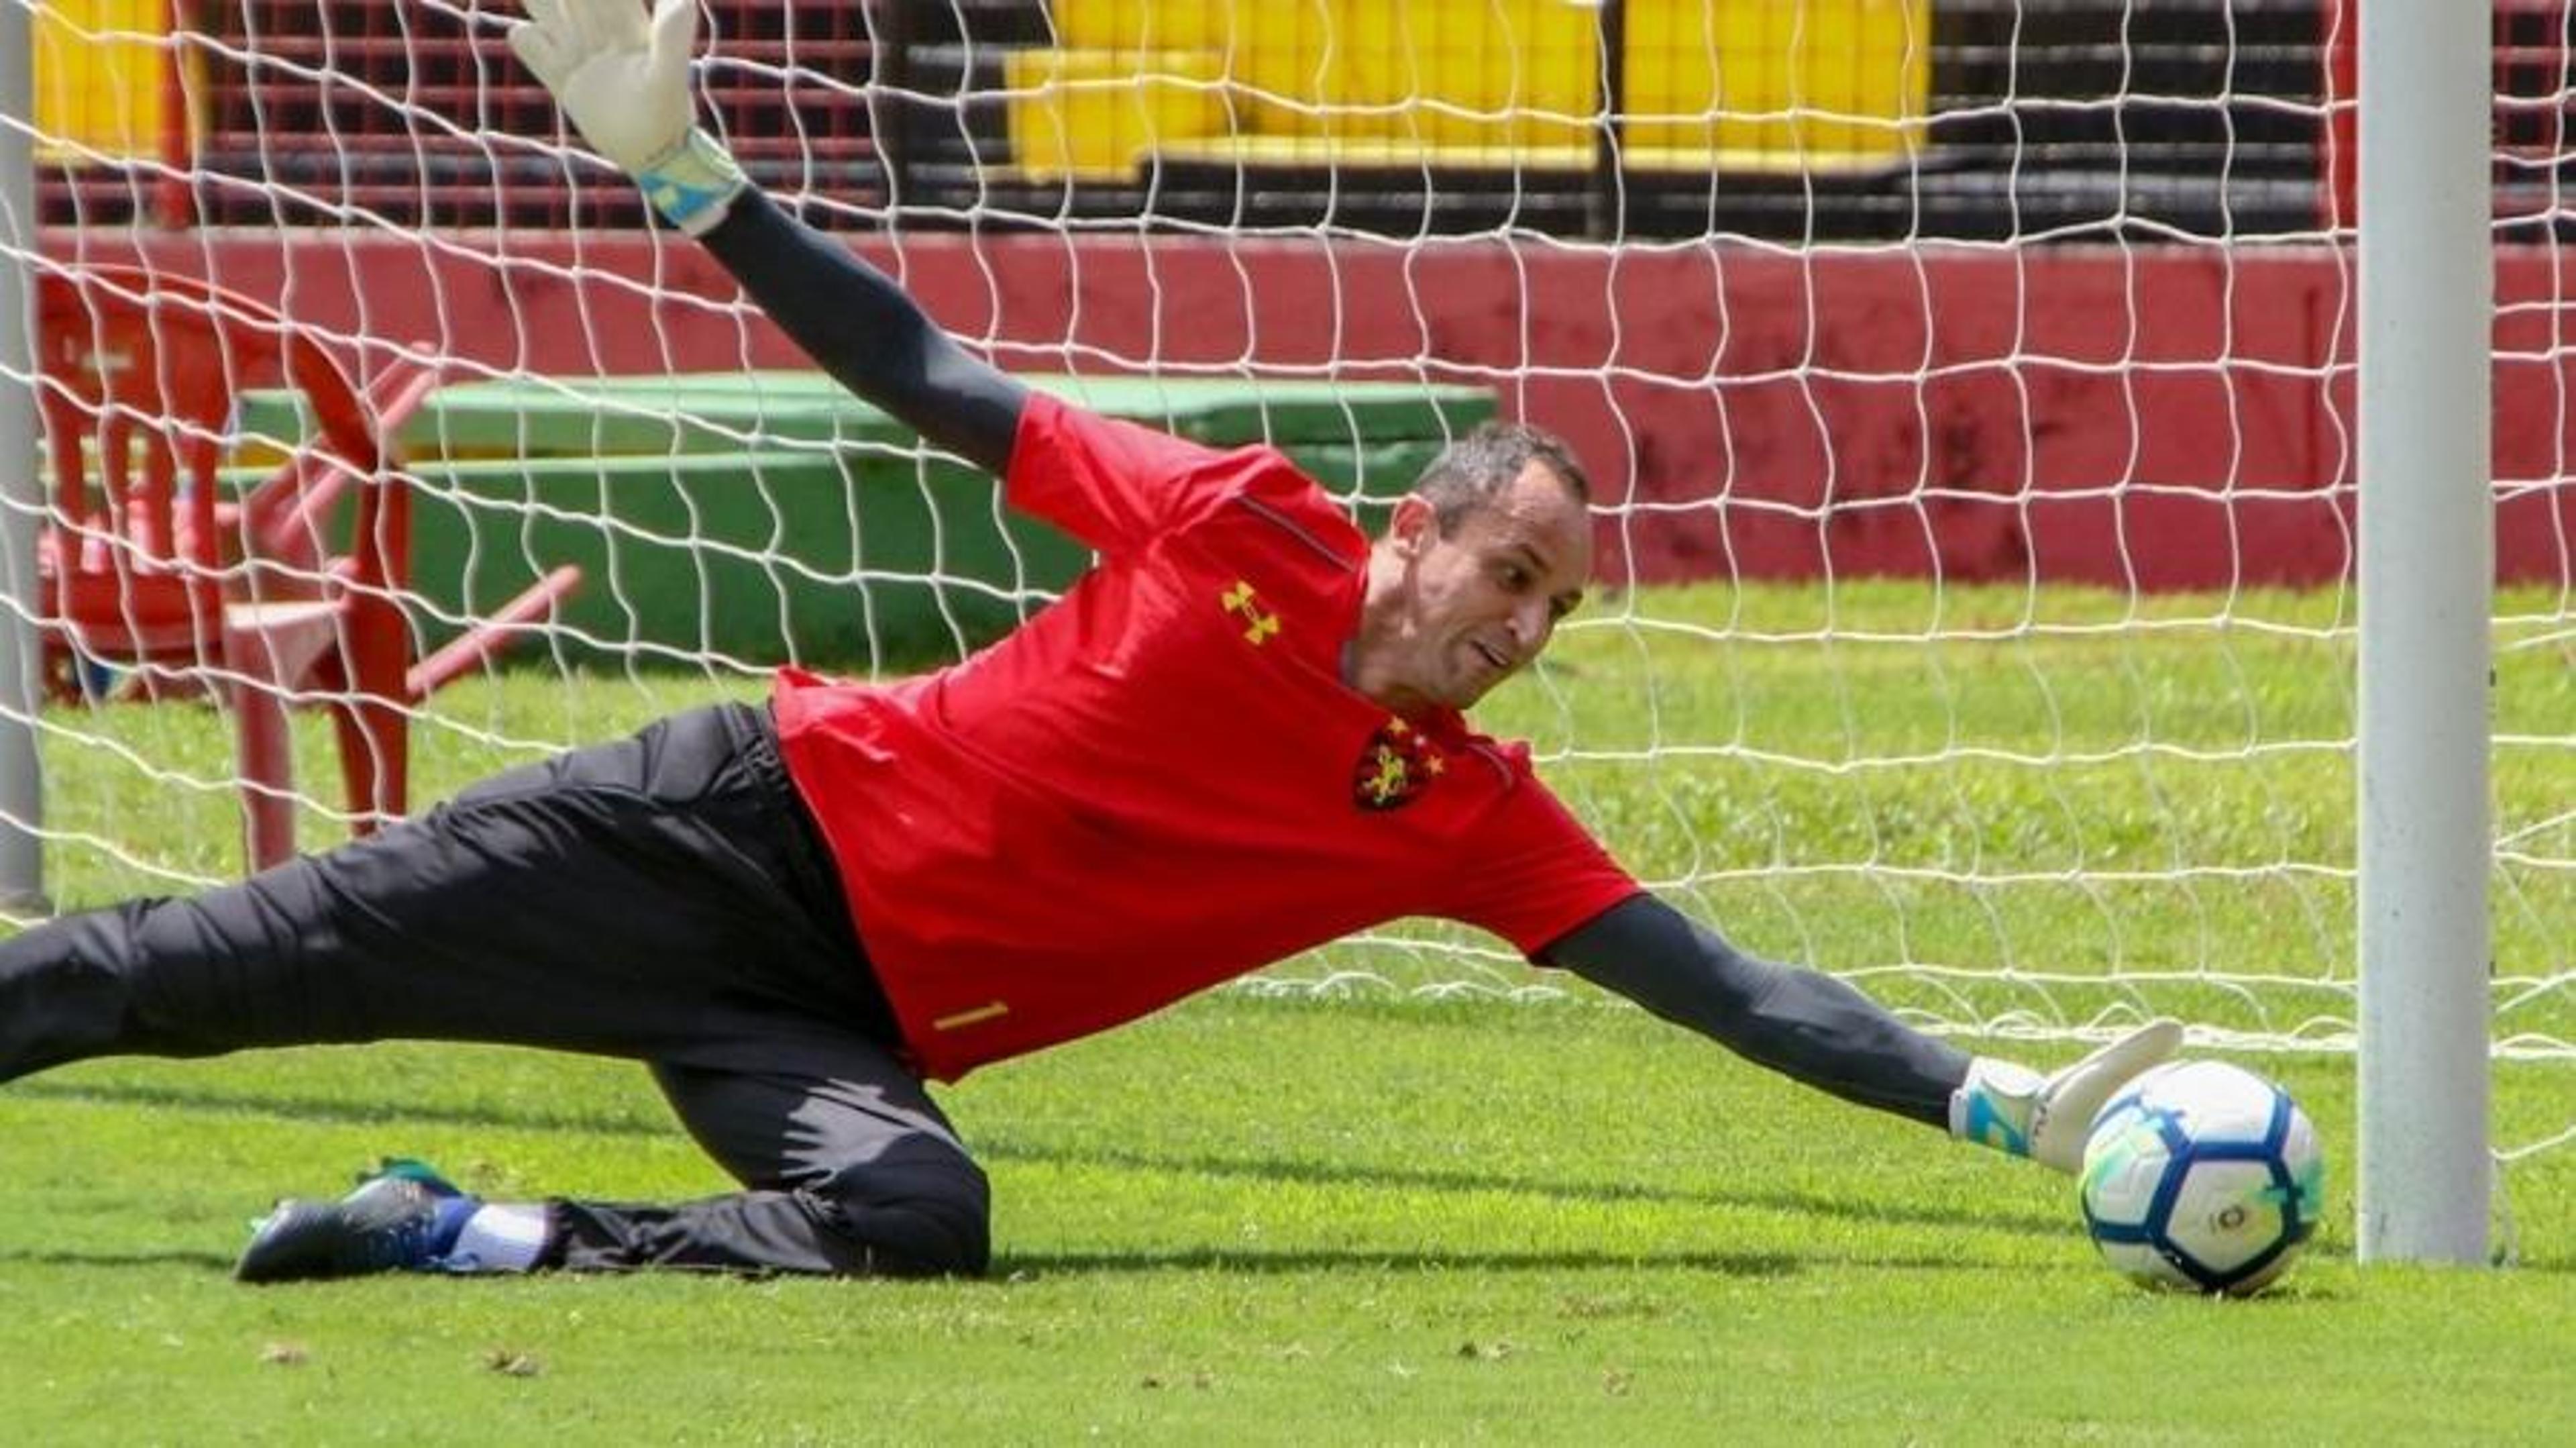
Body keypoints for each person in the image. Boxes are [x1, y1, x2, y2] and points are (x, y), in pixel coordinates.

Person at [0, 0, 2182, 1284]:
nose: (1526, 630)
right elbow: (930, 376)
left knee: (922, 1222)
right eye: (1511, 574)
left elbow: (1724, 987)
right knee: (201, 972)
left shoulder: (1455, 817)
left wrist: (1996, 1103)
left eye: (1559, 608)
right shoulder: (1236, 517)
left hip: (835, 1014)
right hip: (720, 835)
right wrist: (687, 179)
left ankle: (455, 1237)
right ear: (1411, 538)